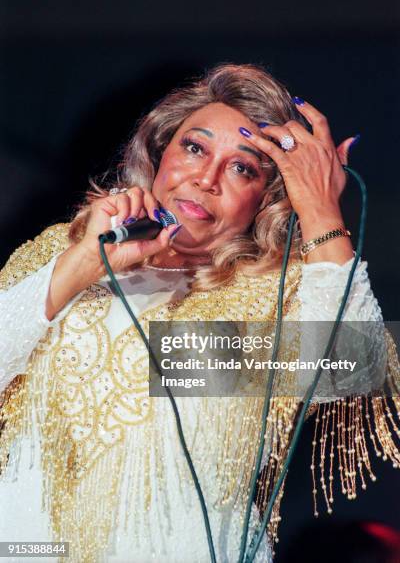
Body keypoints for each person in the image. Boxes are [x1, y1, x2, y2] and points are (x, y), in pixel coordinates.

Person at [0, 63, 398, 563]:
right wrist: (82, 263)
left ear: (266, 200)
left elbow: (355, 365)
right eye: (194, 147)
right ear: (160, 153)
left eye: (242, 167)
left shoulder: (275, 294)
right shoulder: (59, 255)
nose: (206, 178)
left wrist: (319, 209)